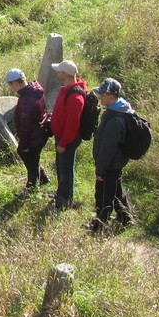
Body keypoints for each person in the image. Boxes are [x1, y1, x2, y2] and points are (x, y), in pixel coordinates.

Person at [89, 77, 136, 232]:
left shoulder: (115, 118)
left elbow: (108, 148)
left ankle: (99, 226)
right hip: (116, 162)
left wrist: (100, 170)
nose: (100, 97)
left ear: (110, 96)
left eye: (102, 95)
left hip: (109, 164)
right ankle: (125, 217)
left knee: (103, 196)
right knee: (116, 191)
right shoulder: (118, 111)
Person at [49, 60, 89, 210]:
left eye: (59, 71)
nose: (57, 73)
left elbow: (73, 125)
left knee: (66, 169)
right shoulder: (67, 89)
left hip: (67, 140)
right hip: (61, 137)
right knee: (61, 167)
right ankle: (61, 194)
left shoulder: (75, 97)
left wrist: (63, 143)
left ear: (64, 74)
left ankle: (65, 200)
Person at [2, 67, 48, 191]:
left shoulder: (26, 100)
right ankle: (43, 178)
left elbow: (25, 126)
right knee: (33, 158)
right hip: (40, 132)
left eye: (11, 85)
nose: (11, 88)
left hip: (33, 136)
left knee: (28, 158)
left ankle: (31, 187)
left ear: (16, 83)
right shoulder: (34, 90)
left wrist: (24, 144)